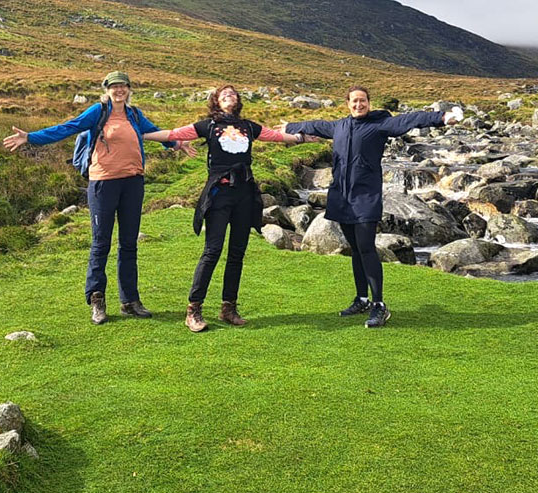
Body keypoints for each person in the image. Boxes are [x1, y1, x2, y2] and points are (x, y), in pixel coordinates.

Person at [2, 71, 187, 325]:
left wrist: (176, 143)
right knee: (101, 244)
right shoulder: (97, 111)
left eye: (123, 86)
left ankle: (130, 301)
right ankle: (97, 300)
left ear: (129, 89)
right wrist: (31, 138)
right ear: (107, 90)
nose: (119, 90)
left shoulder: (134, 114)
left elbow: (153, 132)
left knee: (129, 243)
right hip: (103, 183)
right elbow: (68, 127)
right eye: (114, 86)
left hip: (133, 183)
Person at [281, 87, 462, 328]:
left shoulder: (379, 125)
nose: (359, 104)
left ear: (369, 102)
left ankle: (379, 305)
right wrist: (290, 127)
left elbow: (407, 121)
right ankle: (362, 298)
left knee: (366, 247)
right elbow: (316, 125)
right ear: (347, 103)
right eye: (354, 101)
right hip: (341, 196)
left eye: (363, 101)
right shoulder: (339, 126)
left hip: (365, 196)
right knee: (355, 248)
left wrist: (441, 118)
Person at [143, 84, 309, 332]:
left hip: (245, 193)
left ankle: (228, 308)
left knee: (237, 253)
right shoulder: (207, 125)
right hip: (219, 194)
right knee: (212, 250)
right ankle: (194, 309)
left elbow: (274, 136)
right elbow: (172, 133)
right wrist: (140, 134)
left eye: (232, 93)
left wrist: (301, 137)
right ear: (216, 102)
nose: (229, 95)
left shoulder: (248, 126)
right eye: (224, 94)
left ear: (238, 101)